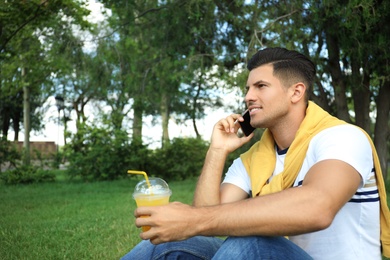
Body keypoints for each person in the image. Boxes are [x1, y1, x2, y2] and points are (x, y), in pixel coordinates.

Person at [122, 47, 390, 259]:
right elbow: (206, 221)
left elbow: (318, 207)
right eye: (248, 89)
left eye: (260, 86)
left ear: (296, 92)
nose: (249, 96)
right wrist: (217, 151)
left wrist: (195, 220)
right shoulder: (255, 159)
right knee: (170, 245)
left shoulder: (342, 137)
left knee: (252, 241)